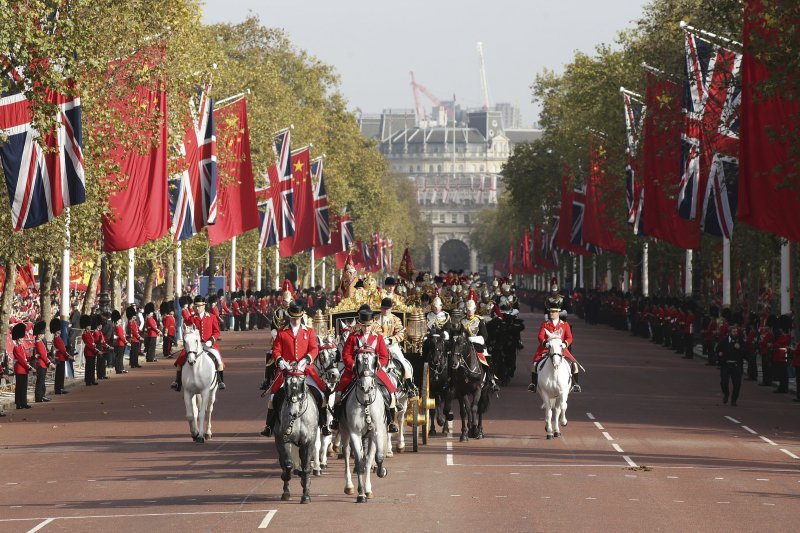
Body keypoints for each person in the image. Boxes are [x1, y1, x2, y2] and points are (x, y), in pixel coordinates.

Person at [261, 302, 326, 437]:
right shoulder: (282, 332)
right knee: (274, 396)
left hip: (305, 370)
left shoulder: (308, 331)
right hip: (287, 371)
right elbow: (276, 350)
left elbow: (314, 349)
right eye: (293, 318)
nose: (295, 320)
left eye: (297, 318)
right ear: (289, 317)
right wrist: (281, 361)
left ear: (301, 316)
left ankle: (323, 424)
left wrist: (306, 359)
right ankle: (269, 425)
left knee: (321, 394)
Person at [331, 306, 399, 433]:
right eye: (363, 325)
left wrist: (378, 365)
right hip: (354, 371)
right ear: (360, 324)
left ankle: (390, 421)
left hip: (374, 370)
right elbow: (346, 355)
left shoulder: (378, 337)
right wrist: (353, 366)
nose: (366, 328)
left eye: (368, 325)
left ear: (372, 324)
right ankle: (336, 420)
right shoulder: (352, 337)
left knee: (391, 392)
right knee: (339, 393)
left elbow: (384, 356)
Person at [171, 295, 226, 391]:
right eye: (196, 306)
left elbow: (217, 332)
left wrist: (211, 341)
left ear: (204, 306)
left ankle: (220, 381)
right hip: (194, 346)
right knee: (180, 360)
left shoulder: (212, 317)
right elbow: (186, 332)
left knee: (218, 359)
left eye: (199, 306)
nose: (197, 308)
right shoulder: (190, 319)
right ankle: (177, 382)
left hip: (208, 344)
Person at [529, 302, 581, 393]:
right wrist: (546, 344)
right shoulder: (545, 324)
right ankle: (533, 384)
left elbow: (569, 337)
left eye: (553, 312)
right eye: (550, 312)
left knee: (575, 365)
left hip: (561, 349)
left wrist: (565, 344)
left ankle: (575, 384)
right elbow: (540, 336)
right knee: (535, 365)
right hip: (547, 348)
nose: (551, 313)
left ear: (558, 313)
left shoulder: (565, 324)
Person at [373, 297, 417, 397]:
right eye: (383, 308)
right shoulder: (375, 319)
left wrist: (391, 340)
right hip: (378, 346)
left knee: (404, 363)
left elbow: (402, 334)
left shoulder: (395, 319)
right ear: (381, 308)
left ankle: (409, 386)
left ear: (391, 309)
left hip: (392, 346)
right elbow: (372, 332)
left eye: (387, 308)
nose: (385, 310)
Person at [461, 298, 499, 392]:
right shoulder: (462, 321)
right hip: (464, 346)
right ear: (466, 310)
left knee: (487, 360)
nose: (470, 312)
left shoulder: (479, 321)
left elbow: (484, 336)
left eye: (471, 309)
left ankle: (491, 380)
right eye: (468, 310)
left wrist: (471, 339)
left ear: (474, 309)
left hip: (478, 345)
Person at [717, 323, 745, 406]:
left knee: (737, 384)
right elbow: (718, 349)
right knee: (723, 381)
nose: (735, 333)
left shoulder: (740, 340)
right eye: (733, 331)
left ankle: (734, 400)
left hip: (736, 365)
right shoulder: (724, 340)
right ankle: (726, 393)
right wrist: (719, 354)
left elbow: (745, 352)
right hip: (726, 364)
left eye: (736, 331)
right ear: (729, 332)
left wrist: (739, 348)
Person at [11, 323, 33, 409]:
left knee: (24, 387)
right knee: (19, 387)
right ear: (17, 339)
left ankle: (23, 402)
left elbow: (25, 357)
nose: (22, 339)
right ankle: (18, 403)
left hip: (24, 369)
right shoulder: (16, 347)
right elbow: (21, 359)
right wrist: (28, 366)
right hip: (20, 369)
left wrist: (31, 357)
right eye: (21, 338)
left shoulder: (21, 346)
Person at [32, 321, 53, 402]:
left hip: (43, 364)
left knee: (42, 381)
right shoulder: (38, 343)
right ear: (39, 335)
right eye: (41, 334)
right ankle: (39, 397)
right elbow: (43, 355)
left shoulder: (40, 342)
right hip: (41, 364)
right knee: (40, 382)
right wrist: (49, 363)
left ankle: (42, 395)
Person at [50, 317, 70, 394]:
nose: (60, 331)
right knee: (59, 375)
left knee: (61, 374)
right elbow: (62, 349)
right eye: (59, 330)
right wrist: (67, 355)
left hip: (61, 357)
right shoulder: (57, 339)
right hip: (60, 358)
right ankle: (58, 389)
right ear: (57, 331)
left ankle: (60, 388)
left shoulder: (58, 338)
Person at [80, 315, 98, 386]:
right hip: (88, 352)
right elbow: (89, 344)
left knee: (92, 366)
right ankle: (88, 380)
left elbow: (93, 341)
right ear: (86, 326)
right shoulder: (84, 334)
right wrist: (95, 350)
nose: (90, 327)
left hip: (92, 352)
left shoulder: (89, 333)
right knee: (89, 367)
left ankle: (92, 379)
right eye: (89, 325)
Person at [111, 310, 129, 374]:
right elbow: (120, 336)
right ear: (117, 321)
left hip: (121, 343)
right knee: (119, 357)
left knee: (120, 357)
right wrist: (126, 342)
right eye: (119, 321)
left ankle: (121, 368)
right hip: (120, 343)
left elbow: (122, 335)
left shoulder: (119, 327)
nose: (121, 321)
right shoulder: (117, 327)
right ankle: (119, 369)